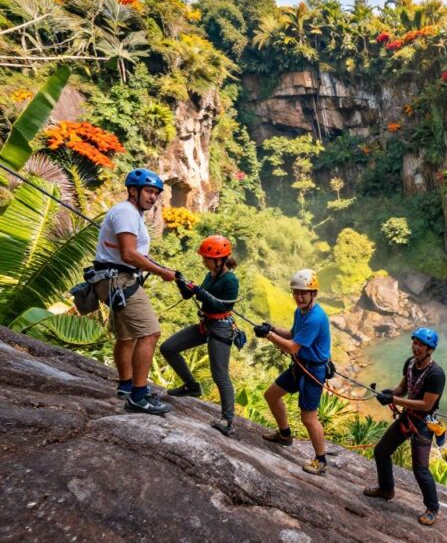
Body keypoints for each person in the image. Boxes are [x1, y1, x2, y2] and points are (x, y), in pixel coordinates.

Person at [93, 168, 177, 415]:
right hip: (120, 279)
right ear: (133, 190)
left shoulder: (130, 214)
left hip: (112, 278)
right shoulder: (126, 213)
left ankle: (126, 386)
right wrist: (162, 273)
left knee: (127, 335)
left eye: (156, 194)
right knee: (150, 333)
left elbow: (132, 252)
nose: (153, 198)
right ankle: (139, 396)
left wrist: (160, 267)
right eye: (149, 192)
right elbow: (129, 254)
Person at [363, 327, 446, 526]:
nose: (416, 348)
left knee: (420, 469)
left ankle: (432, 508)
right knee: (381, 451)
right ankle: (386, 489)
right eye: (415, 343)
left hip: (423, 424)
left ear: (430, 350)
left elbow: (427, 405)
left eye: (421, 345)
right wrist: (389, 393)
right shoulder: (410, 364)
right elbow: (403, 388)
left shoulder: (436, 374)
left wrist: (395, 400)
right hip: (408, 418)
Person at [160, 235, 240, 436]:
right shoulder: (211, 274)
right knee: (168, 348)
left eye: (207, 259)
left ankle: (228, 421)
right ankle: (191, 386)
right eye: (204, 258)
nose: (204, 261)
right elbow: (190, 295)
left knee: (220, 374)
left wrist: (199, 291)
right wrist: (180, 280)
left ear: (220, 259)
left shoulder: (230, 279)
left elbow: (223, 305)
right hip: (206, 324)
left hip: (221, 328)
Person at [255, 269, 332, 476]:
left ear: (313, 294)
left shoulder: (316, 317)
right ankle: (285, 434)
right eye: (296, 292)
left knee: (308, 417)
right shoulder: (301, 312)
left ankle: (321, 460)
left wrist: (269, 335)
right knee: (271, 395)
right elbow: (292, 334)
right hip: (301, 366)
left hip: (313, 371)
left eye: (303, 293)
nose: (298, 297)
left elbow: (292, 346)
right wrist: (272, 328)